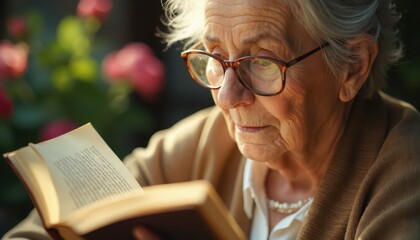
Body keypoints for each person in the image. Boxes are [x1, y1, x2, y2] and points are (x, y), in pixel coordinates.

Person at [3, 0, 420, 239]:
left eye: (262, 61)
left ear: (352, 67)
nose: (228, 96)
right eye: (215, 57)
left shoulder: (403, 177)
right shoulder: (203, 143)